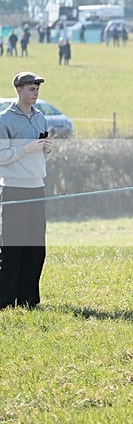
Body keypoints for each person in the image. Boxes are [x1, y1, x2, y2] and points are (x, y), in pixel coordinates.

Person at [0, 72, 54, 310]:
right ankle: (5, 301)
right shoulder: (4, 121)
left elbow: (40, 154)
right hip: (14, 190)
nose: (36, 92)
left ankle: (28, 301)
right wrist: (26, 149)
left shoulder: (41, 118)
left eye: (37, 88)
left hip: (37, 189)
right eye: (32, 88)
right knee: (12, 250)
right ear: (19, 90)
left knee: (36, 250)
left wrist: (46, 150)